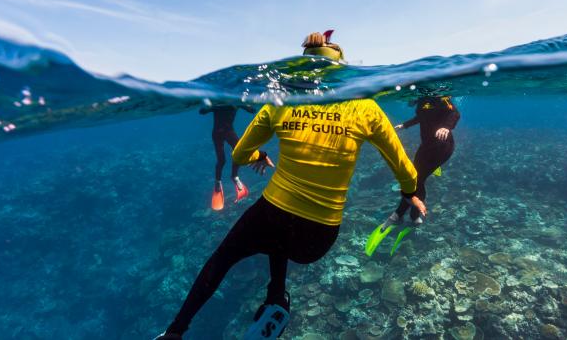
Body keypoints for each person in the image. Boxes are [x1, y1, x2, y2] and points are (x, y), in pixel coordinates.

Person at [155, 31, 426, 339]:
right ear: (342, 65)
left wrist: (259, 154)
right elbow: (403, 166)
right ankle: (276, 298)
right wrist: (410, 194)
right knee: (280, 236)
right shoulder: (365, 107)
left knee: (225, 257)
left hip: (273, 215)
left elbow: (241, 152)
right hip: (318, 238)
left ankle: (175, 332)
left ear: (303, 64)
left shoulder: (281, 101)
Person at [383, 95, 460, 226]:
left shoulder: (438, 97)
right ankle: (408, 216)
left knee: (418, 179)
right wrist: (405, 125)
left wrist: (446, 127)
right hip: (426, 146)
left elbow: (455, 113)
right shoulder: (421, 101)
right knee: (414, 177)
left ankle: (404, 215)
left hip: (442, 146)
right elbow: (422, 117)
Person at [199, 103, 255, 210]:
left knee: (238, 153)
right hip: (217, 133)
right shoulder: (218, 103)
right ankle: (217, 183)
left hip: (229, 132)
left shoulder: (236, 102)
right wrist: (211, 106)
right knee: (222, 160)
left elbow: (252, 110)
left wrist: (247, 106)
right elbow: (202, 111)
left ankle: (235, 177)